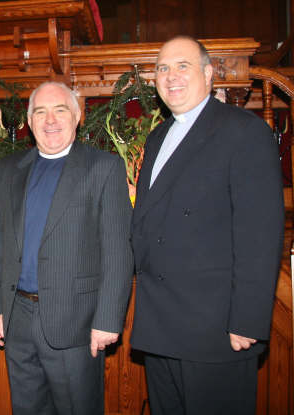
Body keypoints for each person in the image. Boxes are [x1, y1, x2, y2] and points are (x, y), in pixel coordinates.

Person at [131, 35, 284, 415]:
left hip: (215, 329)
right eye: (162, 68)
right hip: (161, 327)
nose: (171, 76)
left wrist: (247, 319)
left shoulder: (244, 131)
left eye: (183, 66)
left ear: (209, 73)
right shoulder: (156, 138)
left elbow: (260, 233)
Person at [0, 81, 134, 415]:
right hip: (16, 317)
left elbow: (118, 251)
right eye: (40, 112)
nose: (50, 120)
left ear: (77, 116)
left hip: (75, 321)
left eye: (60, 110)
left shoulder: (103, 168)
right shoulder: (10, 170)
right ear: (29, 120)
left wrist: (108, 319)